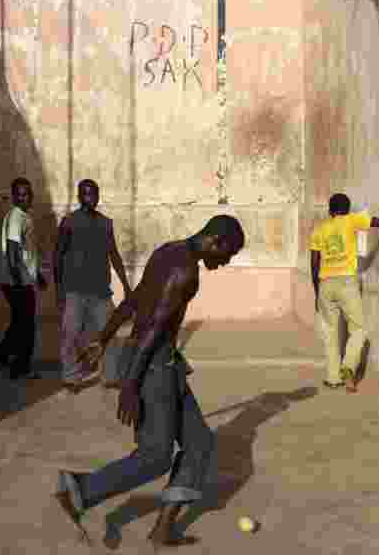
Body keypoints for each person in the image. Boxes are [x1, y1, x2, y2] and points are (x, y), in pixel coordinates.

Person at [54, 215, 245, 548]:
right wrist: (130, 384)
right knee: (155, 456)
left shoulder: (167, 251)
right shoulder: (187, 273)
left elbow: (135, 298)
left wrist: (104, 335)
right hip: (153, 365)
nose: (225, 262)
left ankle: (163, 529)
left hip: (164, 363)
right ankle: (80, 490)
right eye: (228, 255)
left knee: (199, 443)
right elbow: (153, 328)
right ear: (218, 241)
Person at [54, 179, 132, 391]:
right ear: (79, 197)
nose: (91, 198)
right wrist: (58, 289)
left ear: (98, 196)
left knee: (108, 334)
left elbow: (114, 254)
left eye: (94, 194)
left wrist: (126, 284)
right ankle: (71, 377)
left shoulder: (106, 223)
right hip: (74, 290)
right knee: (70, 333)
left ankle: (111, 375)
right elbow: (58, 256)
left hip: (100, 291)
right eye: (86, 194)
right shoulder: (69, 222)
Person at [310, 193, 379, 393]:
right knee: (358, 329)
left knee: (330, 332)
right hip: (347, 281)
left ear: (330, 210)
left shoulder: (319, 230)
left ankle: (333, 378)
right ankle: (348, 366)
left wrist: (316, 290)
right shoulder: (352, 220)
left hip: (325, 284)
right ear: (347, 210)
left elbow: (314, 263)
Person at [0, 177, 47, 381]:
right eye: (20, 195)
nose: (24, 198)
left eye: (27, 194)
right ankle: (20, 367)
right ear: (14, 197)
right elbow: (13, 250)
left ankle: (1, 355)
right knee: (26, 325)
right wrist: (18, 279)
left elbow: (27, 252)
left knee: (19, 322)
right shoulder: (16, 217)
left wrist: (37, 274)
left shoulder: (23, 216)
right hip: (17, 281)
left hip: (20, 278)